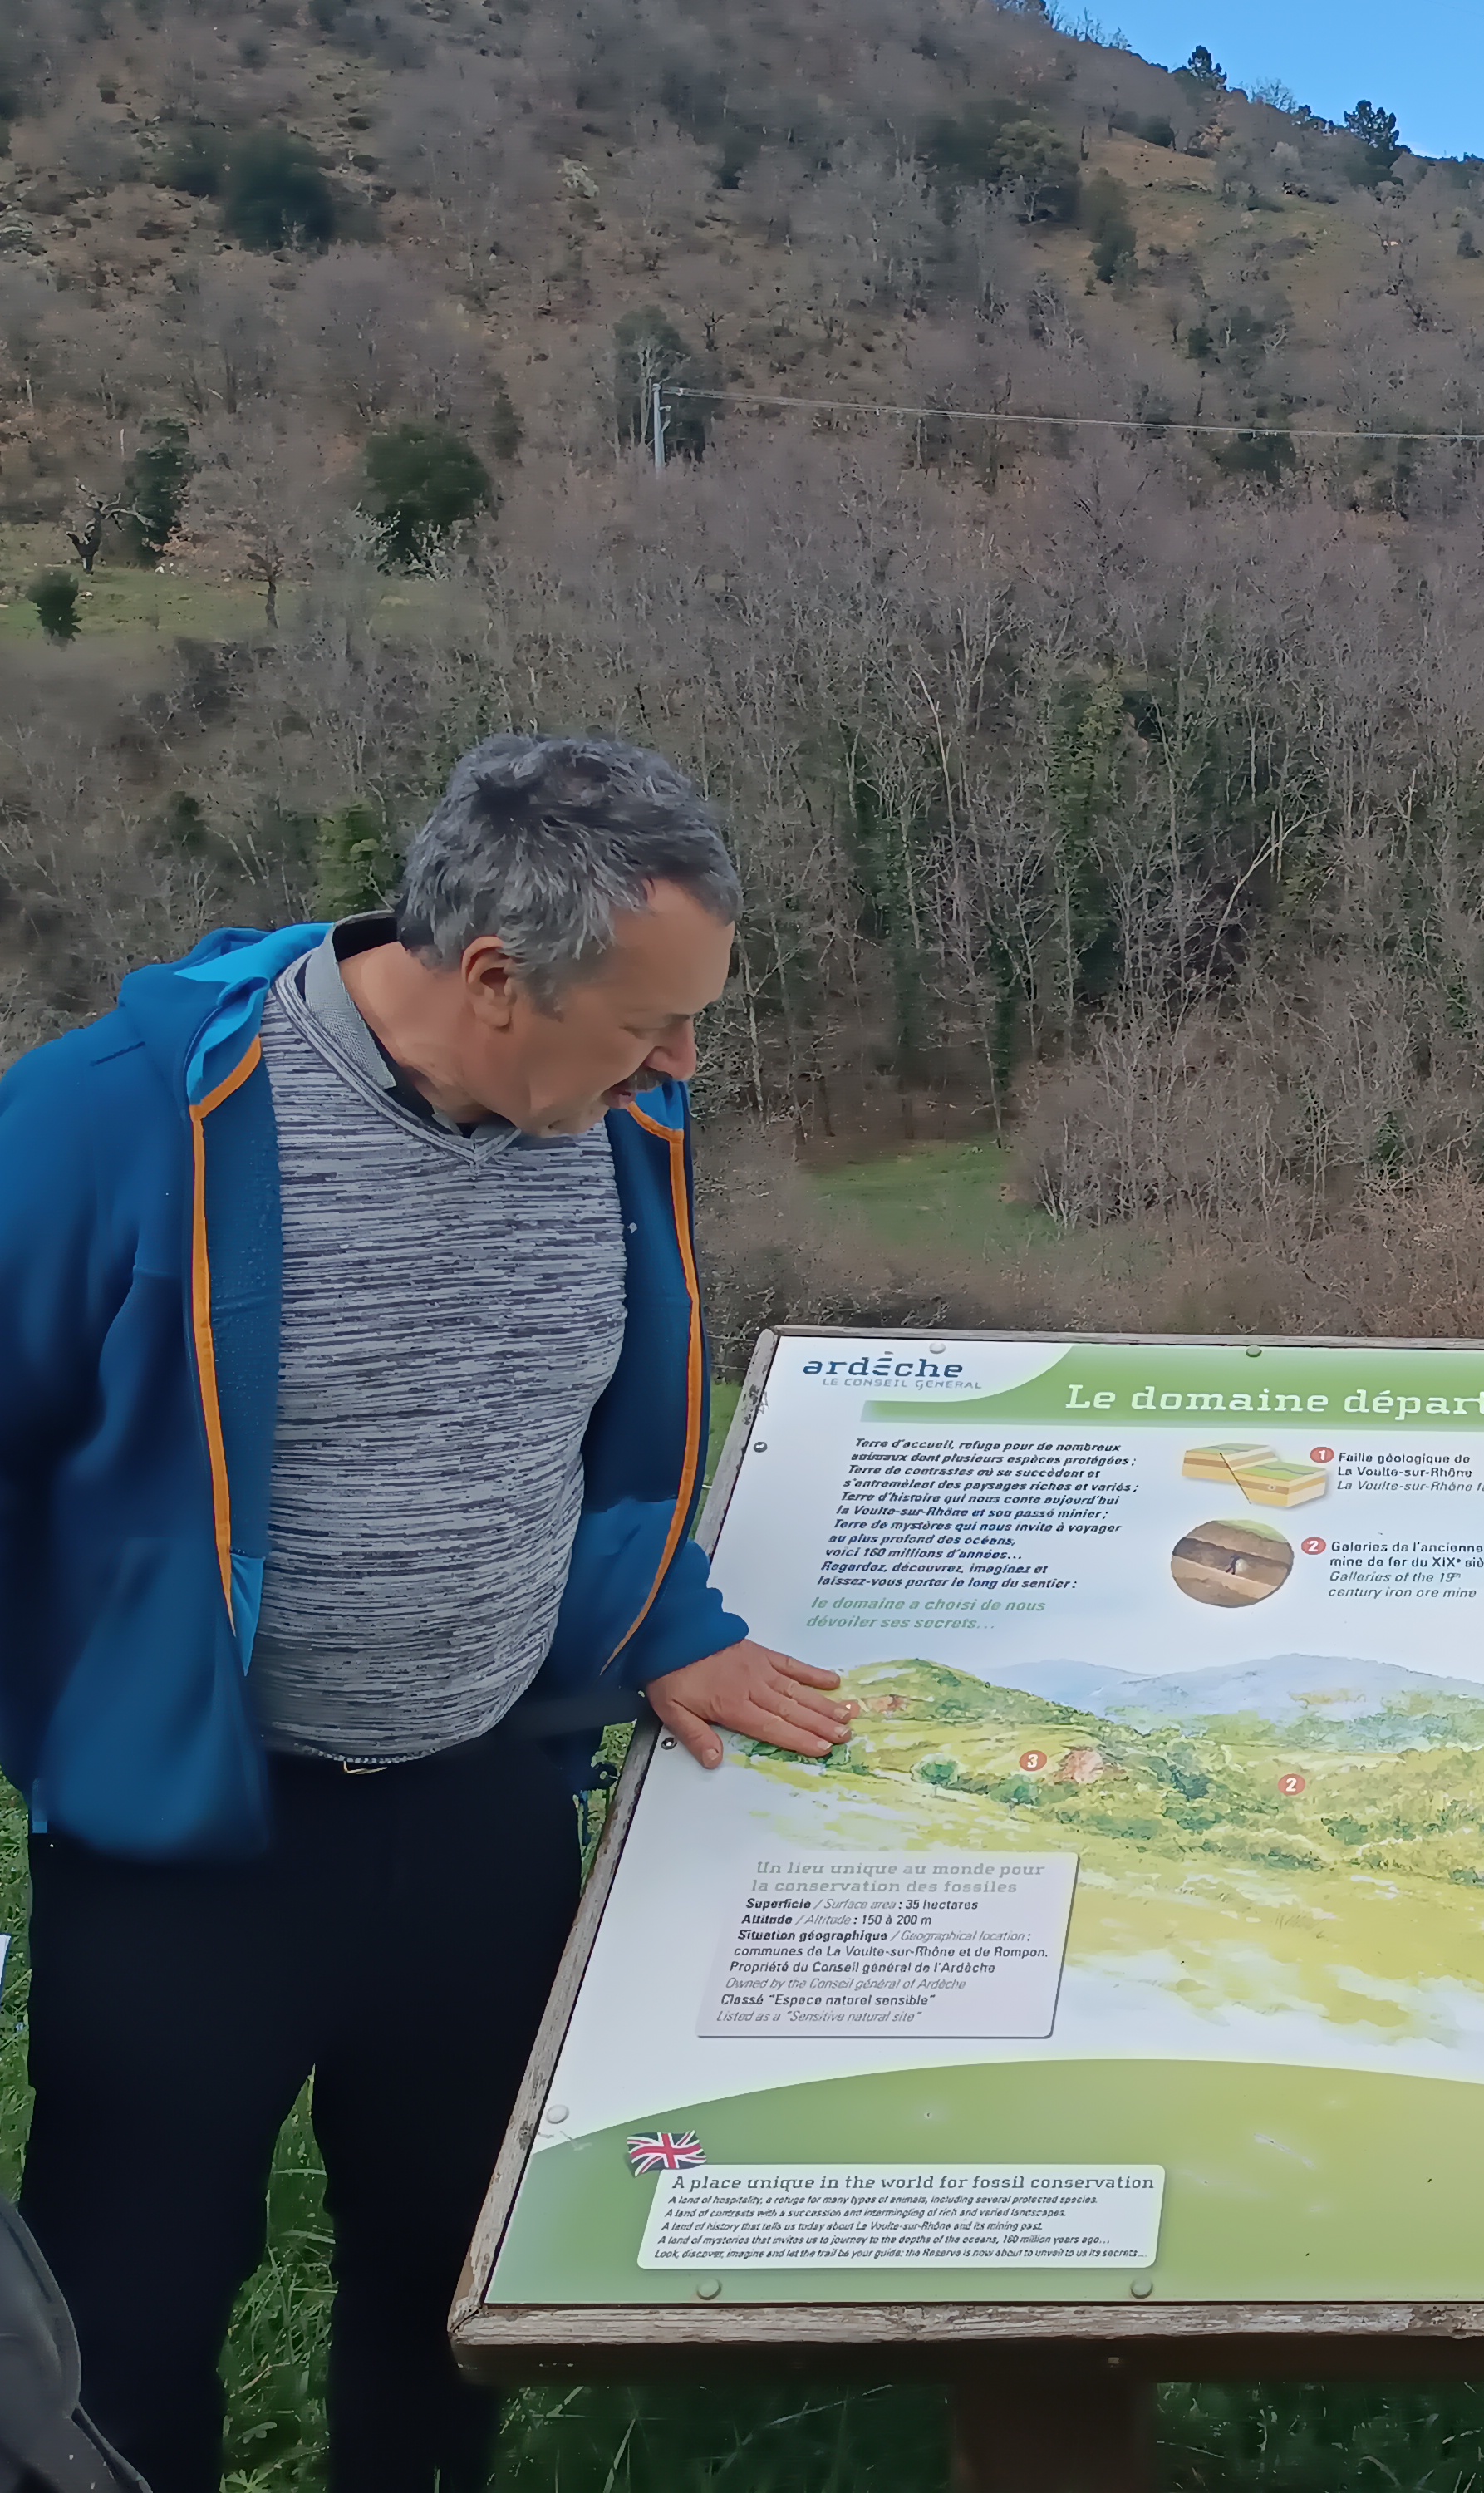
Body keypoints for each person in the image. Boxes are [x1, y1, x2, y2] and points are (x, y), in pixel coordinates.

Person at [0, 735, 856, 2493]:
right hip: (197, 1842)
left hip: (477, 1806)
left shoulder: (604, 1115)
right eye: (650, 1025)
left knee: (441, 2295)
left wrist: (660, 1612)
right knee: (124, 2328)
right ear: (491, 981)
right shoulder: (119, 1120)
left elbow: (589, 1429)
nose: (682, 1068)